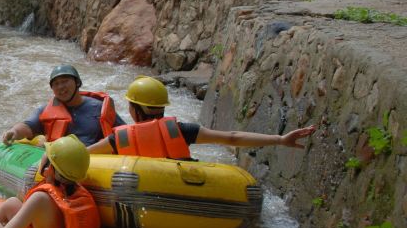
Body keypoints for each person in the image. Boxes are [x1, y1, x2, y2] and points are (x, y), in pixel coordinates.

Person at [86, 76, 318, 159]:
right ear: (163, 108)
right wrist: (280, 139)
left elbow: (85, 155)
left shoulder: (121, 139)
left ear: (134, 109)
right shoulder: (183, 130)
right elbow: (233, 138)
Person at [2, 65, 122, 147]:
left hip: (94, 160)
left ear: (77, 83)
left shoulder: (99, 108)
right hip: (61, 162)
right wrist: (14, 132)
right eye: (56, 84)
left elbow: (122, 133)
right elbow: (28, 126)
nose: (60, 87)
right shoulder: (45, 110)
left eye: (65, 81)